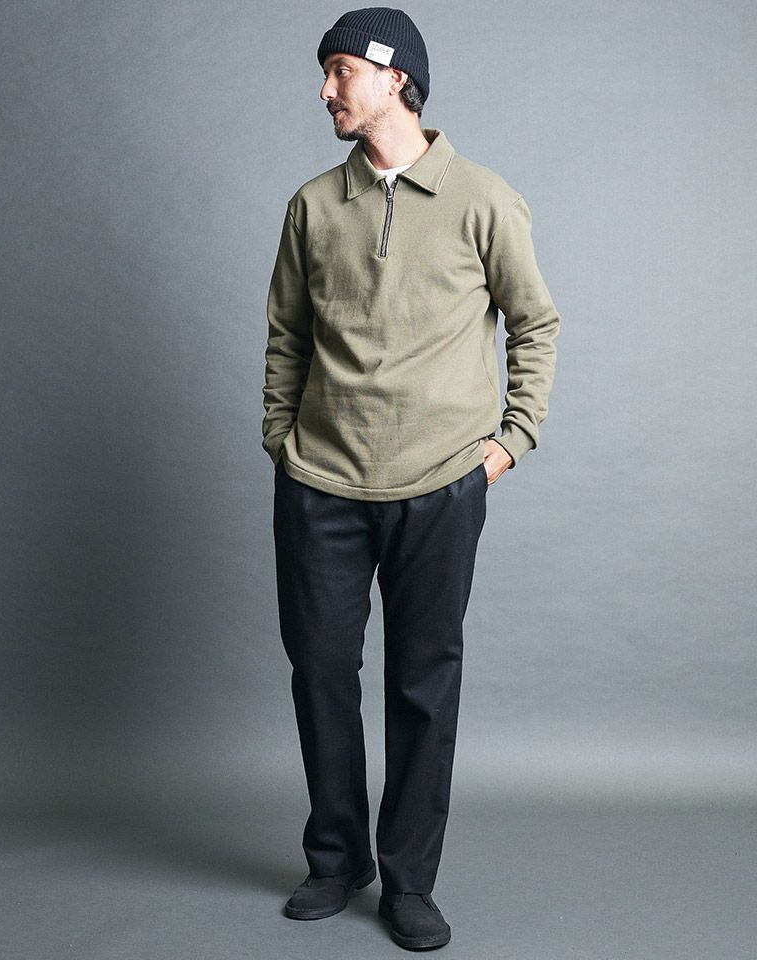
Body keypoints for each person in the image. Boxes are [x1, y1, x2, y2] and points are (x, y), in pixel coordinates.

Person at [261, 6, 560, 950]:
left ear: (396, 78)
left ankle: (409, 882)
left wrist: (509, 441)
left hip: (440, 485)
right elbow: (286, 336)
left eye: (340, 70)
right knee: (320, 673)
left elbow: (535, 324)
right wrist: (280, 440)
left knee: (424, 685)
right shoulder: (314, 206)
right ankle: (335, 858)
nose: (325, 90)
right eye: (325, 72)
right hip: (320, 482)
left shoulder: (483, 199)